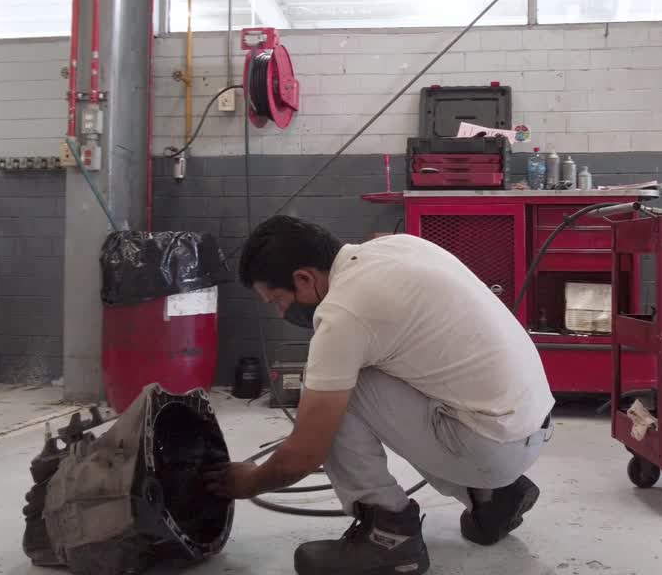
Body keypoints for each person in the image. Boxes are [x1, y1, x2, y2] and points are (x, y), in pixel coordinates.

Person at [205, 215, 554, 575]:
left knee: (330, 386)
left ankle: (389, 536)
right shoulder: (396, 247)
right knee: (367, 369)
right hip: (532, 427)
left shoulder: (343, 312)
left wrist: (251, 480)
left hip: (493, 446)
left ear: (304, 279)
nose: (280, 312)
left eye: (276, 301)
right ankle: (493, 498)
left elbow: (304, 455)